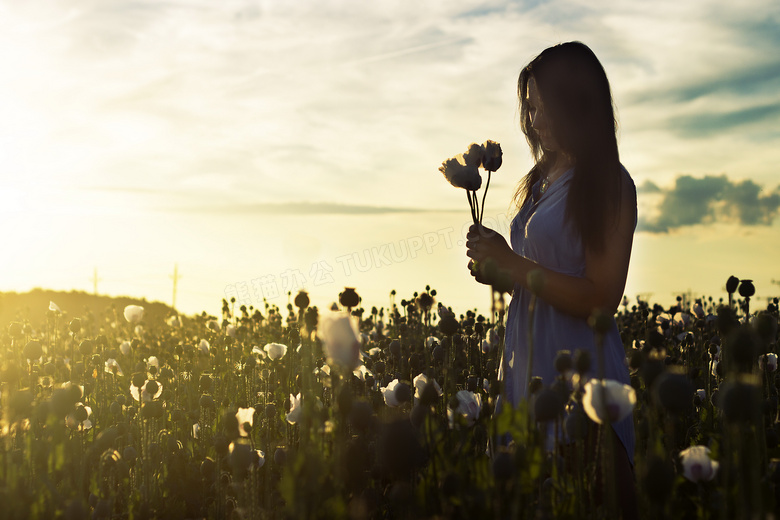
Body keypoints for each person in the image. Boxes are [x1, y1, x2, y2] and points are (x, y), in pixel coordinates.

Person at [465, 41, 638, 517]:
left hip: (582, 373)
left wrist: (514, 265)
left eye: (543, 107)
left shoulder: (609, 182)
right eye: (530, 107)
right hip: (526, 367)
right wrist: (498, 269)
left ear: (576, 105)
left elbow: (602, 298)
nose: (533, 120)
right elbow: (540, 274)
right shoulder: (540, 180)